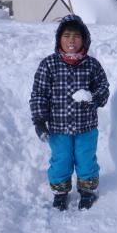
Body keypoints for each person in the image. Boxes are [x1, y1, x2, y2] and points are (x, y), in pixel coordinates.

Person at [29, 14, 110, 211]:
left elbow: (103, 89)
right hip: (58, 128)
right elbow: (39, 93)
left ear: (84, 40)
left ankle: (87, 191)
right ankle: (60, 193)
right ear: (59, 39)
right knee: (61, 160)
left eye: (76, 36)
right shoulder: (49, 65)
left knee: (86, 159)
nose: (71, 40)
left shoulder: (92, 65)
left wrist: (92, 96)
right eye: (66, 36)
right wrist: (40, 121)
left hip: (86, 127)